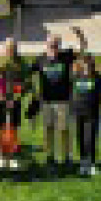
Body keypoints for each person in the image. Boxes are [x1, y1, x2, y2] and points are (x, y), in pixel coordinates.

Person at [30, 27, 88, 172]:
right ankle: (50, 157)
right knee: (48, 129)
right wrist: (33, 92)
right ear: (46, 45)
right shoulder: (40, 59)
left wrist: (79, 35)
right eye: (51, 45)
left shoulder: (66, 56)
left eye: (56, 45)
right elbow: (27, 74)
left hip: (63, 101)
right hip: (46, 102)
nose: (53, 48)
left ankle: (67, 157)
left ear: (59, 45)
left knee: (64, 130)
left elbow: (83, 49)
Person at [0, 38, 30, 171]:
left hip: (15, 101)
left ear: (16, 48)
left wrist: (16, 97)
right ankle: (1, 156)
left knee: (13, 129)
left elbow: (27, 83)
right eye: (8, 47)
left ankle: (13, 157)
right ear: (4, 48)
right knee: (1, 128)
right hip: (0, 101)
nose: (10, 50)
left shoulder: (22, 63)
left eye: (12, 47)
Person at [70, 56, 101, 177]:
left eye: (89, 64)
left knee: (90, 139)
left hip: (92, 113)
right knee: (80, 138)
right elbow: (71, 92)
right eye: (85, 64)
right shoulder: (76, 76)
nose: (87, 66)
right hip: (78, 113)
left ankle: (91, 164)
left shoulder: (98, 78)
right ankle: (83, 163)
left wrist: (97, 106)